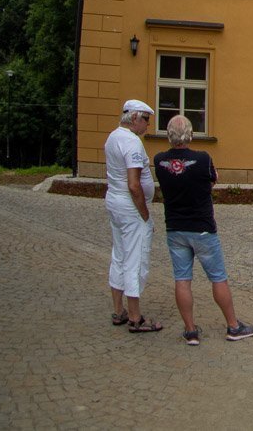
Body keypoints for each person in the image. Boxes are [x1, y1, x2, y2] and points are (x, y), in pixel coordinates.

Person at [154, 115, 253, 344]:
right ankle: (233, 326)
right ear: (190, 134)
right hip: (202, 228)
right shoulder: (202, 159)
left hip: (175, 228)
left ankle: (190, 331)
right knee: (218, 277)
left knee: (182, 279)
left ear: (168, 135)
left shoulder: (159, 161)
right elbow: (212, 181)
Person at [105, 98, 161, 332]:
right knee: (135, 259)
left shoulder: (113, 136)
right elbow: (134, 184)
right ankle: (135, 317)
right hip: (130, 208)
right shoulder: (132, 143)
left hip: (114, 202)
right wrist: (145, 214)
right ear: (135, 118)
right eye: (146, 120)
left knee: (119, 255)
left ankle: (119, 310)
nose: (147, 125)